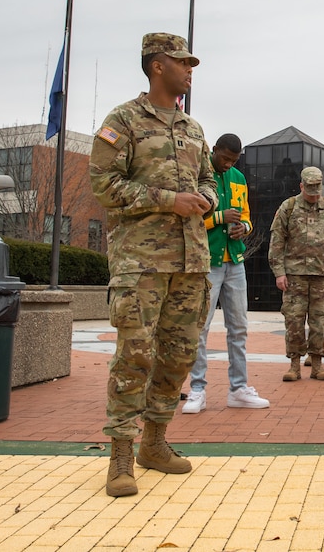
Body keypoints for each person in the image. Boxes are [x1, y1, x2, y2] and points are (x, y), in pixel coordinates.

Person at [89, 32, 217, 497]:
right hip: (140, 261)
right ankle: (120, 453)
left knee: (179, 355)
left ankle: (155, 442)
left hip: (191, 262)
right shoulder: (122, 120)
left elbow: (208, 178)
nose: (189, 71)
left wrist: (206, 196)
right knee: (135, 356)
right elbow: (103, 185)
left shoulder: (193, 128)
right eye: (182, 63)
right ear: (157, 65)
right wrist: (168, 200)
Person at [183, 134, 269, 414]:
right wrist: (220, 218)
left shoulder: (238, 178)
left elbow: (246, 215)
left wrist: (244, 227)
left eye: (234, 160)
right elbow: (190, 218)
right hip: (207, 261)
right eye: (225, 158)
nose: (228, 164)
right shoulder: (199, 173)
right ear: (214, 150)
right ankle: (197, 389)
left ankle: (239, 388)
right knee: (201, 327)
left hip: (235, 259)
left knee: (239, 327)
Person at [268, 166, 324, 382]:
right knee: (294, 321)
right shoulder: (288, 207)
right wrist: (279, 272)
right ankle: (294, 365)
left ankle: (317, 365)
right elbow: (277, 241)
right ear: (301, 186)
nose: (313, 194)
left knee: (319, 322)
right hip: (294, 276)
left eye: (317, 190)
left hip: (322, 276)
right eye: (309, 189)